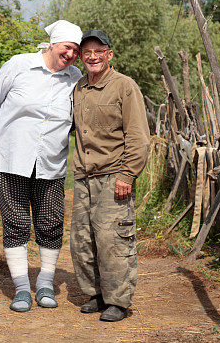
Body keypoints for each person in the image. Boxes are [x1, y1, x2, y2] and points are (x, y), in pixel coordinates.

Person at [0, 20, 83, 312]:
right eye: (67, 47)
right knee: (16, 222)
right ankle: (22, 288)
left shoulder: (76, 78)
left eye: (75, 50)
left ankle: (45, 283)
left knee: (50, 222)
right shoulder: (18, 65)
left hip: (51, 161)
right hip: (10, 158)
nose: (71, 54)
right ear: (52, 45)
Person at [70, 29, 150, 322]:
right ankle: (96, 294)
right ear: (81, 56)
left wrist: (127, 175)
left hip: (113, 174)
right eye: (87, 52)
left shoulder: (124, 87)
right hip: (83, 176)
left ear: (109, 55)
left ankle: (118, 300)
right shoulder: (78, 88)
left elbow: (139, 136)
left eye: (98, 51)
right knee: (83, 239)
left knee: (113, 238)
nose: (92, 57)